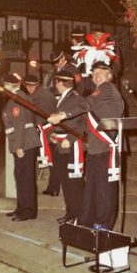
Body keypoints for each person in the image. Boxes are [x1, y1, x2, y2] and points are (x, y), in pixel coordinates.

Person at [79, 54, 124, 229]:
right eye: (94, 73)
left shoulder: (106, 89)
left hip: (106, 148)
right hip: (97, 148)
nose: (96, 75)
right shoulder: (97, 92)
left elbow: (87, 104)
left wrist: (64, 113)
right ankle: (89, 221)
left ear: (109, 75)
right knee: (93, 189)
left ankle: (104, 224)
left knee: (105, 190)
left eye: (100, 72)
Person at [45, 71, 87, 222]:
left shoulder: (76, 98)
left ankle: (80, 214)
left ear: (61, 83)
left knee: (74, 182)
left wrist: (70, 138)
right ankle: (71, 212)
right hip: (61, 144)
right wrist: (55, 134)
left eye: (56, 82)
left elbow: (83, 121)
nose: (55, 85)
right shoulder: (63, 98)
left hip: (71, 145)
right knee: (66, 181)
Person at [1, 73, 41, 221]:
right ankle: (22, 207)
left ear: (13, 86)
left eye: (5, 86)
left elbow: (20, 124)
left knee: (26, 177)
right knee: (20, 176)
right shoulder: (16, 98)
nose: (4, 89)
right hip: (22, 142)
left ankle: (29, 210)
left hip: (24, 144)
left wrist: (19, 147)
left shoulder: (18, 99)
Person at [42, 47, 78, 196]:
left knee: (60, 154)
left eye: (57, 61)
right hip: (54, 111)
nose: (56, 64)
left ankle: (56, 186)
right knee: (53, 152)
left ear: (63, 58)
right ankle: (54, 186)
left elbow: (77, 91)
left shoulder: (72, 70)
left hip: (65, 115)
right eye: (54, 63)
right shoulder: (53, 73)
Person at [23, 75, 58, 195]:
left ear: (32, 86)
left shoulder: (34, 97)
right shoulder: (47, 93)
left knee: (47, 161)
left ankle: (51, 187)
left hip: (43, 131)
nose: (27, 89)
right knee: (53, 161)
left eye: (28, 86)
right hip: (51, 130)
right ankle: (53, 187)